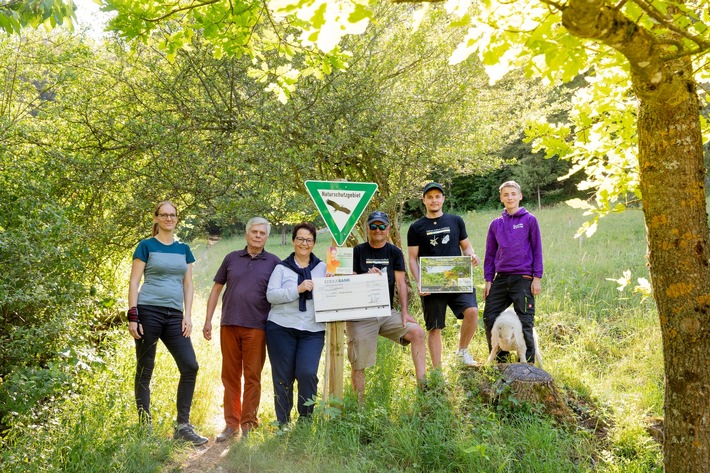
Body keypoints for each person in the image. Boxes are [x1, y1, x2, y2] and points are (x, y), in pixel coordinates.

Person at [127, 200, 207, 446]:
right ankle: (145, 426)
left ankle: (183, 426)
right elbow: (134, 282)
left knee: (190, 365)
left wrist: (188, 315)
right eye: (164, 215)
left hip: (174, 315)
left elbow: (188, 284)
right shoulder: (146, 246)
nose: (168, 218)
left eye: (172, 215)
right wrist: (133, 315)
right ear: (156, 218)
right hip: (148, 311)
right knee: (145, 369)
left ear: (177, 219)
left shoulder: (184, 249)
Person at [203, 217, 280, 442]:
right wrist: (208, 320)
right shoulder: (231, 258)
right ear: (247, 234)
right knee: (230, 376)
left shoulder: (274, 262)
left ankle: (248, 425)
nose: (257, 236)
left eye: (262, 233)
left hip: (257, 327)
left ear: (266, 237)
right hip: (229, 324)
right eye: (254, 232)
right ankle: (231, 424)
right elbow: (216, 290)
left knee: (253, 376)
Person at [347, 211, 426, 403]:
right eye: (373, 226)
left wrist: (405, 313)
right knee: (358, 362)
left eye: (382, 226)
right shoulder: (358, 251)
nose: (377, 230)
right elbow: (347, 280)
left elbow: (401, 285)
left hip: (386, 312)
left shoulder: (394, 252)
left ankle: (423, 390)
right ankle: (359, 408)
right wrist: (366, 276)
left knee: (417, 333)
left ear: (388, 228)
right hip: (361, 315)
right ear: (367, 228)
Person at [407, 182, 481, 368]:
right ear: (424, 200)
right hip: (431, 282)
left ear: (443, 199)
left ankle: (462, 352)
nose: (434, 200)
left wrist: (471, 255)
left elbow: (466, 246)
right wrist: (419, 282)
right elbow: (412, 259)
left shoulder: (455, 221)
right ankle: (437, 370)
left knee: (472, 312)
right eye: (430, 197)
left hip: (457, 277)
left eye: (437, 196)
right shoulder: (416, 227)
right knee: (435, 327)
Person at [265, 222, 326, 426]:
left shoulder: (323, 268)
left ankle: (305, 419)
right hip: (281, 328)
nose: (304, 243)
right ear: (293, 241)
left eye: (308, 240)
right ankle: (283, 421)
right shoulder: (281, 268)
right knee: (283, 376)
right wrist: (297, 290)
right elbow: (271, 295)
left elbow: (339, 288)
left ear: (314, 244)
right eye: (300, 239)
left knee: (307, 373)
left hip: (313, 330)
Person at [482, 180, 543, 363]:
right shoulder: (496, 224)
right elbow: (490, 253)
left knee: (525, 321)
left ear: (520, 196)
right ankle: (501, 360)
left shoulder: (530, 220)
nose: (510, 197)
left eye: (513, 194)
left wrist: (537, 277)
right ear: (501, 198)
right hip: (501, 278)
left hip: (523, 278)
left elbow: (537, 249)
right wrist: (488, 279)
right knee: (489, 316)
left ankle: (527, 364)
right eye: (506, 194)